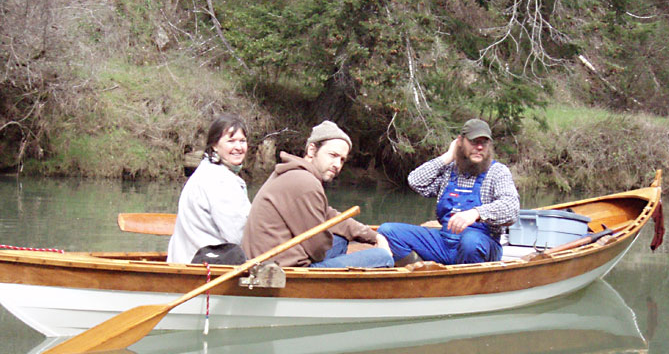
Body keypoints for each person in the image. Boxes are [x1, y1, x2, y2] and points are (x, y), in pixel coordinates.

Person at [242, 120, 393, 268]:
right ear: (312, 150)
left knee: (340, 240)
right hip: (279, 267)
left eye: (342, 160)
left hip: (276, 257)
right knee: (383, 257)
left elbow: (329, 215)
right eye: (333, 155)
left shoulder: (294, 173)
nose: (337, 165)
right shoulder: (305, 182)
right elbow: (317, 249)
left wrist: (373, 235)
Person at [378, 118, 519, 265]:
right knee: (387, 231)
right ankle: (423, 276)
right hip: (444, 242)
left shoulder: (498, 172)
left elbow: (511, 208)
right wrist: (449, 156)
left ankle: (467, 283)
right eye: (473, 142)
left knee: (471, 242)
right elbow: (415, 181)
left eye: (483, 143)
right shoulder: (449, 170)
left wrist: (476, 213)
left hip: (482, 243)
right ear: (460, 141)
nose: (479, 147)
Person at [167, 114, 251, 264]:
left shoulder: (207, 171)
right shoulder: (219, 180)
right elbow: (238, 235)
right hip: (202, 264)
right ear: (214, 145)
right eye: (230, 141)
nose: (238, 147)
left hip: (187, 259)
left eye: (242, 141)